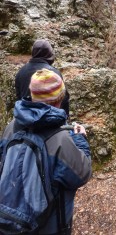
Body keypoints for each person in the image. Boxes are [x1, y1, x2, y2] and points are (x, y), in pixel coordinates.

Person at [2, 68, 92, 234]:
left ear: (31, 94)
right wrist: (80, 139)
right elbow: (82, 173)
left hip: (8, 220)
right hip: (48, 226)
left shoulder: (11, 128)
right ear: (60, 98)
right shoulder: (61, 138)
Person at [15, 39, 70, 118]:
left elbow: (19, 99)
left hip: (27, 119)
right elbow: (64, 99)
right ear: (49, 54)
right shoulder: (53, 74)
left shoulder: (20, 73)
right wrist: (65, 120)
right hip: (50, 120)